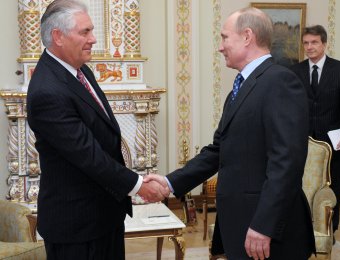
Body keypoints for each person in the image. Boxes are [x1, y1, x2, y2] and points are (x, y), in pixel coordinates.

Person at [146, 7, 315, 260]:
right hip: (240, 223)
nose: (220, 47)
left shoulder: (280, 82)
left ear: (247, 36)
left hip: (266, 230)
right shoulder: (241, 87)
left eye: (225, 37)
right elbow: (218, 150)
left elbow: (286, 163)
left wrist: (264, 225)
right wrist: (170, 182)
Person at [26, 1, 168, 259]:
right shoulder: (48, 90)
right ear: (58, 36)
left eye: (92, 31)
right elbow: (89, 155)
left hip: (102, 217)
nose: (93, 39)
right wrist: (138, 185)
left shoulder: (79, 70)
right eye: (85, 32)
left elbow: (106, 137)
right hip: (76, 229)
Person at [291, 25, 340, 236]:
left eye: (314, 42)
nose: (309, 47)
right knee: (300, 186)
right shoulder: (295, 71)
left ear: (324, 43)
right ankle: (302, 231)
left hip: (334, 144)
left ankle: (329, 230)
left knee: (332, 188)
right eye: (306, 43)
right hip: (301, 143)